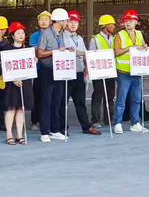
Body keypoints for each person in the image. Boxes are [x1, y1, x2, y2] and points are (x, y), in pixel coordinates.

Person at [36, 9, 70, 143]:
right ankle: (44, 131)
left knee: (57, 101)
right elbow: (39, 53)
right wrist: (55, 51)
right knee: (46, 101)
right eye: (66, 20)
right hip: (48, 70)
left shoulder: (60, 34)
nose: (67, 23)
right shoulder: (46, 33)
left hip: (59, 70)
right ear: (60, 21)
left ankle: (55, 130)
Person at [62, 11, 99, 135]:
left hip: (79, 73)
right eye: (71, 22)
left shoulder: (79, 38)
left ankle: (86, 126)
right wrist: (86, 54)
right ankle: (62, 127)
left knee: (80, 102)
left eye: (76, 22)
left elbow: (84, 54)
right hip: (66, 73)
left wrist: (87, 67)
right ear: (66, 22)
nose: (73, 24)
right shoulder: (62, 37)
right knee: (63, 103)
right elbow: (72, 53)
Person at [112, 9, 148, 134]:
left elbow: (143, 46)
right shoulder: (120, 35)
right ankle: (118, 123)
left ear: (136, 22)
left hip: (137, 72)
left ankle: (135, 122)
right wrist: (129, 48)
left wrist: (144, 47)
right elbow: (116, 52)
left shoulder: (139, 34)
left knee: (136, 99)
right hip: (124, 72)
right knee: (121, 100)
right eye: (126, 21)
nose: (128, 23)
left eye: (131, 21)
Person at [1, 22, 33, 145]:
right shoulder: (7, 49)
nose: (21, 35)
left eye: (22, 33)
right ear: (12, 35)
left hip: (24, 82)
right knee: (11, 107)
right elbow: (3, 67)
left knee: (21, 108)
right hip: (11, 83)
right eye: (18, 33)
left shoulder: (27, 49)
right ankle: (9, 134)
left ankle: (19, 134)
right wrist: (13, 79)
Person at [89, 15, 117, 129]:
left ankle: (109, 118)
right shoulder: (95, 39)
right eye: (112, 24)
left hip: (110, 70)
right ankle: (95, 120)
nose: (114, 26)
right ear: (105, 26)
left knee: (110, 96)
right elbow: (91, 54)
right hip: (99, 71)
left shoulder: (114, 38)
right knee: (98, 95)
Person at [29, 11, 51, 130]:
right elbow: (36, 52)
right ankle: (35, 120)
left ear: (50, 21)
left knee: (49, 96)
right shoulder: (34, 36)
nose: (43, 22)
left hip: (50, 69)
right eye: (41, 19)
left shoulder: (54, 35)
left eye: (46, 19)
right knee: (36, 95)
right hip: (37, 69)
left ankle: (47, 120)